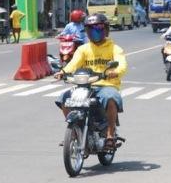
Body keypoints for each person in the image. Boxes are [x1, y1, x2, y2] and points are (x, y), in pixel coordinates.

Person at [54, 13, 128, 150]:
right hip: (85, 86)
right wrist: (63, 72)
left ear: (106, 29)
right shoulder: (83, 49)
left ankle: (110, 135)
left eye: (98, 28)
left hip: (106, 85)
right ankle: (75, 132)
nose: (94, 32)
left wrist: (114, 72)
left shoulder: (115, 49)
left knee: (111, 97)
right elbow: (74, 64)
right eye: (90, 29)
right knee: (63, 98)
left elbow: (122, 65)